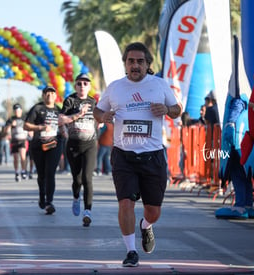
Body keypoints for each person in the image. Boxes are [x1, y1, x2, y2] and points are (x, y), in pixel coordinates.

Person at [93, 42, 182, 267]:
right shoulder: (115, 87)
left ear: (147, 64)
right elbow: (97, 109)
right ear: (125, 64)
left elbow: (177, 109)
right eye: (131, 61)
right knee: (125, 203)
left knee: (154, 210)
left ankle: (146, 226)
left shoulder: (159, 85)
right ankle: (131, 251)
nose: (135, 65)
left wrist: (167, 110)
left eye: (140, 61)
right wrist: (102, 117)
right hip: (124, 155)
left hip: (153, 155)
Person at [24, 86, 89, 215]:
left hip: (54, 144)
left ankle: (49, 202)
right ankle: (42, 196)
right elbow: (26, 125)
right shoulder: (37, 109)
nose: (49, 95)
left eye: (52, 93)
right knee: (41, 174)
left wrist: (65, 132)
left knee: (50, 173)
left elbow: (64, 123)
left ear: (55, 96)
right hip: (38, 145)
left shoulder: (59, 110)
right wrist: (40, 127)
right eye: (47, 93)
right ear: (43, 96)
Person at [61, 73, 98, 227]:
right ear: (75, 86)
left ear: (89, 86)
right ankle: (76, 197)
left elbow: (99, 118)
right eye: (79, 83)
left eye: (85, 83)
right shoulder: (70, 100)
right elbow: (61, 119)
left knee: (87, 178)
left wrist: (101, 122)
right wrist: (78, 115)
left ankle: (87, 211)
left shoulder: (93, 102)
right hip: (73, 145)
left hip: (90, 145)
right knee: (77, 179)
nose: (82, 86)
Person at [6, 103, 28, 182]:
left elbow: (29, 126)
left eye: (18, 110)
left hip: (23, 139)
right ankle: (16, 172)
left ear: (21, 111)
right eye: (15, 110)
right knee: (15, 157)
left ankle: (23, 171)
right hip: (14, 140)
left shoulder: (25, 118)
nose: (17, 112)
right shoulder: (11, 119)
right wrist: (11, 125)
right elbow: (5, 130)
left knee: (23, 156)